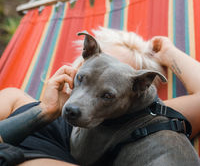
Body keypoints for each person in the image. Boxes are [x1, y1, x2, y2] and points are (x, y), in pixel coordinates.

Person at [0, 36, 200, 165]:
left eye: (107, 94)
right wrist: (44, 111)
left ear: (135, 93)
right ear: (83, 60)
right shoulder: (15, 96)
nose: (106, 73)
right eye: (85, 78)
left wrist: (169, 53)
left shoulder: (143, 118)